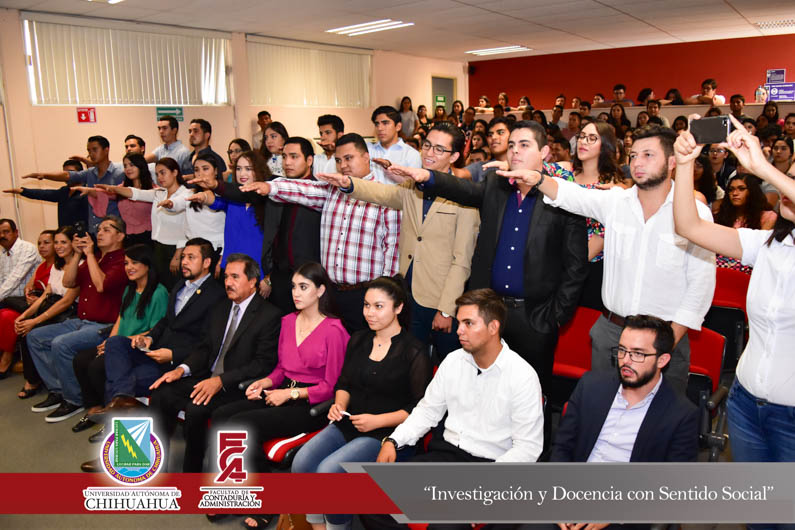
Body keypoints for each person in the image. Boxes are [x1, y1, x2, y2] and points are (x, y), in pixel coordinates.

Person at [507, 125, 716, 395]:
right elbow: (572, 195)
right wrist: (537, 179)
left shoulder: (695, 213)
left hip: (664, 335)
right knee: (602, 409)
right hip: (612, 331)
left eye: (648, 155)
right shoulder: (616, 202)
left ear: (672, 162)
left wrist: (667, 342)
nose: (637, 163)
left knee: (660, 418)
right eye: (633, 155)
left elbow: (701, 285)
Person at [396, 120, 587, 393]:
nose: (515, 151)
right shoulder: (497, 186)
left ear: (544, 152)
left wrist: (556, 315)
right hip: (490, 310)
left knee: (531, 394)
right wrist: (429, 177)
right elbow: (464, 190)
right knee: (483, 390)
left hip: (535, 316)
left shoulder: (563, 196)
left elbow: (576, 265)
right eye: (512, 145)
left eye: (524, 145)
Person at [672, 116, 795, 512]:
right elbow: (689, 226)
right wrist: (685, 164)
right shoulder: (769, 245)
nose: (785, 186)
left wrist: (763, 168)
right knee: (758, 512)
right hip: (745, 403)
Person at [317, 122, 480, 359]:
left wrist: (446, 309)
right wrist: (350, 184)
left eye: (439, 149)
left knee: (449, 362)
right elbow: (385, 194)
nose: (429, 153)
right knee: (411, 360)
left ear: (454, 156)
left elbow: (462, 260)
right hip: (408, 293)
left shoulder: (465, 195)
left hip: (440, 297)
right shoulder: (414, 185)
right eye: (427, 145)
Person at [291, 276, 432, 530]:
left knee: (329, 473)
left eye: (379, 306)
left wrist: (377, 421)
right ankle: (317, 526)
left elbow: (420, 408)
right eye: (367, 305)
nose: (370, 313)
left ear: (398, 308)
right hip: (349, 422)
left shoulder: (414, 351)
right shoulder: (358, 339)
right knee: (301, 463)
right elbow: (344, 383)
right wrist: (339, 405)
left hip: (386, 433)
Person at [224, 133, 400, 332]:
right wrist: (270, 187)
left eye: (348, 158)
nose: (343, 165)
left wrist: (383, 295)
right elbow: (303, 189)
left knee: (364, 346)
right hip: (330, 292)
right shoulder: (333, 191)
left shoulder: (385, 195)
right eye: (338, 160)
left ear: (366, 157)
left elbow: (392, 250)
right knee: (331, 345)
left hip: (366, 294)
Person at [80, 237, 225, 446]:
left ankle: (119, 421)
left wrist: (173, 355)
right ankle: (122, 403)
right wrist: (148, 337)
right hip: (155, 351)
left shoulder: (216, 295)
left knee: (119, 379)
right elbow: (166, 321)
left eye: (191, 257)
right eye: (183, 256)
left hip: (178, 363)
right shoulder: (180, 286)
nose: (184, 262)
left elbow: (209, 342)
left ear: (207, 262)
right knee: (115, 343)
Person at [147, 253, 282, 473]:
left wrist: (220, 381)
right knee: (163, 393)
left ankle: (191, 474)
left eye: (235, 277)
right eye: (226, 276)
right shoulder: (220, 308)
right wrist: (181, 369)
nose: (228, 282)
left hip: (235, 386)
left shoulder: (269, 316)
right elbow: (205, 348)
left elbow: (262, 364)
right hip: (206, 377)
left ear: (252, 282)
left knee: (196, 410)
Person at [375, 288, 544, 463]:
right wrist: (393, 440)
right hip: (445, 454)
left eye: (468, 323)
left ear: (493, 327)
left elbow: (527, 448)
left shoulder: (522, 376)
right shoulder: (453, 361)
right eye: (459, 322)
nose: (459, 330)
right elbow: (427, 412)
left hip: (492, 463)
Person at [212, 262, 349, 475]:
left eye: (303, 287)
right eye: (293, 286)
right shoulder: (287, 321)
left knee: (241, 425)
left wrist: (290, 394)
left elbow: (332, 387)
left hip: (310, 405)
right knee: (220, 416)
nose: (296, 293)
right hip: (280, 393)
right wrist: (263, 382)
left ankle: (264, 492)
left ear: (320, 290)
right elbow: (281, 369)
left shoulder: (334, 330)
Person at [551, 315, 699, 467]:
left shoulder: (681, 415)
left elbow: (674, 476)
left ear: (662, 360)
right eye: (622, 350)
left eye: (638, 354)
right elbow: (562, 447)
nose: (626, 361)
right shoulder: (591, 386)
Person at [26, 216, 127, 422]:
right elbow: (69, 281)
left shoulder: (122, 261)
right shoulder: (94, 257)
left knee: (61, 344)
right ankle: (58, 390)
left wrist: (89, 255)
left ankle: (74, 400)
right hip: (80, 321)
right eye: (99, 229)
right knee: (35, 337)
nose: (100, 233)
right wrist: (78, 254)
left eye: (107, 230)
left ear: (120, 236)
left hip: (104, 326)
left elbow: (101, 285)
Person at [208, 137, 321, 315]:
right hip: (280, 274)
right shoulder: (277, 186)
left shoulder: (320, 192)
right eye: (284, 157)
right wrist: (216, 185)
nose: (287, 162)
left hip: (309, 274)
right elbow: (245, 193)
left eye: (294, 157)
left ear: (309, 160)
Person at [70, 244, 168, 436]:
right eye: (126, 263)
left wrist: (116, 343)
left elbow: (156, 330)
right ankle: (95, 408)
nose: (129, 267)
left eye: (134, 263)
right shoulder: (129, 289)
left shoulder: (159, 293)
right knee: (80, 360)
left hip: (138, 347)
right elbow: (120, 319)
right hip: (120, 343)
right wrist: (109, 341)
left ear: (148, 265)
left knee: (97, 367)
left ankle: (113, 412)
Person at [97, 157, 191, 290]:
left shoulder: (187, 194)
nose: (160, 177)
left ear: (175, 172)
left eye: (163, 173)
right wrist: (114, 188)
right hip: (158, 247)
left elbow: (186, 225)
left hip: (176, 249)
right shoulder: (159, 193)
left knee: (176, 287)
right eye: (157, 174)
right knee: (160, 287)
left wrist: (178, 254)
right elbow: (136, 193)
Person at [12, 227, 80, 398]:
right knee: (24, 329)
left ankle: (47, 384)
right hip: (53, 309)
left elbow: (66, 301)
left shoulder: (80, 265)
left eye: (63, 242)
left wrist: (35, 321)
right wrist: (24, 316)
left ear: (73, 243)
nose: (58, 246)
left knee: (31, 332)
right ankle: (45, 383)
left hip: (71, 314)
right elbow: (45, 295)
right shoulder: (57, 266)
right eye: (56, 242)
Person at [568, 122, 624, 310]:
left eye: (592, 138)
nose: (583, 142)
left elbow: (601, 235)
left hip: (589, 267)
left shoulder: (610, 185)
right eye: (582, 136)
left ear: (605, 145)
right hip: (560, 260)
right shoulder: (565, 175)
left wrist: (570, 269)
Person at [188, 150, 269, 277]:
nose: (242, 173)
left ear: (259, 170)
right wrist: (204, 196)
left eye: (248, 169)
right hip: (230, 267)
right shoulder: (232, 198)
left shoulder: (268, 200)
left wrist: (268, 278)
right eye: (238, 168)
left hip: (256, 270)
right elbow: (217, 202)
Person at [22, 136, 124, 233]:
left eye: (94, 149)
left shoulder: (120, 172)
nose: (91, 154)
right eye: (89, 151)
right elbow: (68, 175)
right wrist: (44, 175)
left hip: (114, 230)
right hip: (94, 230)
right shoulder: (90, 173)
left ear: (106, 150)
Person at [0, 229, 53, 377]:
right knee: (3, 313)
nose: (41, 247)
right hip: (29, 303)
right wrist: (29, 294)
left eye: (46, 243)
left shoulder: (58, 266)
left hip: (45, 306)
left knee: (6, 317)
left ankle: (7, 358)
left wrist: (37, 299)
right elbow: (28, 286)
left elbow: (53, 293)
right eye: (39, 243)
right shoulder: (41, 265)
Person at [78, 153, 154, 247]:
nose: (128, 169)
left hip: (148, 237)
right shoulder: (121, 188)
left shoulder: (153, 190)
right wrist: (88, 190)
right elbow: (104, 193)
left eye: (131, 165)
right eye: (125, 166)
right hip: (126, 237)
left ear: (141, 166)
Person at [713, 174, 777, 274]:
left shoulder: (768, 217)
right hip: (720, 262)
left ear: (752, 191)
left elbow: (759, 249)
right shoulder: (721, 215)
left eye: (741, 189)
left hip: (750, 265)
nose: (735, 193)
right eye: (731, 190)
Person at [4, 160, 89, 228]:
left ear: (80, 173)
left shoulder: (88, 192)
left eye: (70, 173)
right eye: (64, 173)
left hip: (84, 238)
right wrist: (22, 191)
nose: (65, 176)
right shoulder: (64, 191)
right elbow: (43, 194)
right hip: (65, 237)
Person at [369, 105, 422, 184]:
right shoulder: (368, 150)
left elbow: (412, 186)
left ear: (398, 126)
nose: (380, 128)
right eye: (377, 124)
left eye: (385, 123)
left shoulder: (411, 154)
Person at [0, 219, 41, 308]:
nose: (2, 235)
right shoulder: (2, 253)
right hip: (6, 300)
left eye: (6, 232)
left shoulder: (27, 248)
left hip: (25, 301)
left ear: (16, 232)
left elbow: (15, 278)